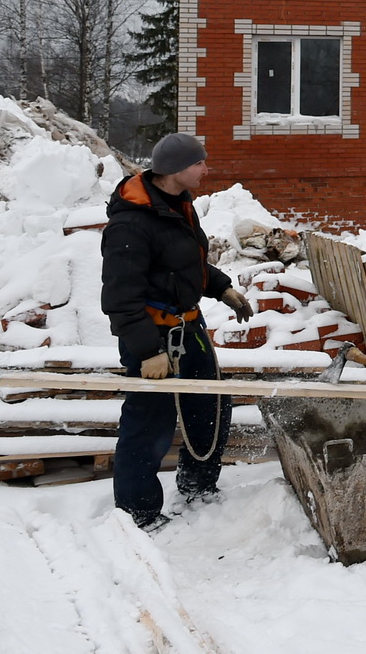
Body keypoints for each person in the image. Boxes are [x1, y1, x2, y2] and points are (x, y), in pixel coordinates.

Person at [100, 133, 253, 531]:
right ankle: (139, 513)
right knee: (150, 421)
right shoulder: (130, 223)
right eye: (200, 163)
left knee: (212, 407)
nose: (207, 169)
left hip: (189, 326)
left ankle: (198, 485)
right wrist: (148, 351)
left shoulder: (180, 205)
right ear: (177, 169)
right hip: (153, 336)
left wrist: (222, 288)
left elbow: (186, 265)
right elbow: (120, 297)